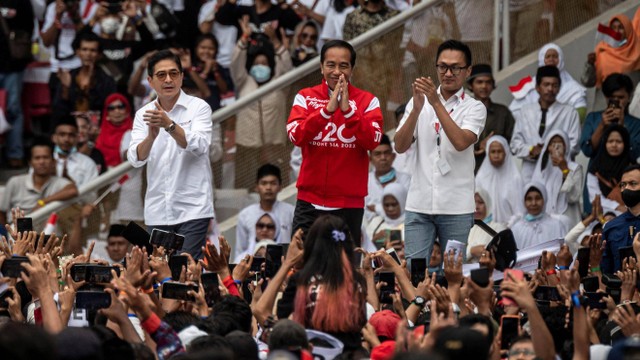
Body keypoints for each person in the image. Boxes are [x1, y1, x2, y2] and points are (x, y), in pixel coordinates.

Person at [394, 39, 486, 265]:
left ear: (467, 71)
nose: (448, 73)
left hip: (456, 207)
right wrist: (416, 110)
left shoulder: (474, 107)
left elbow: (461, 142)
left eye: (455, 67)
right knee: (415, 273)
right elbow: (400, 145)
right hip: (419, 203)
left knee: (452, 275)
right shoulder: (418, 102)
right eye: (442, 66)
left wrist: (436, 104)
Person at [286, 40, 383, 244]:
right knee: (301, 265)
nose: (337, 71)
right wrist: (325, 112)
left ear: (352, 69)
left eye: (344, 66)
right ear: (321, 67)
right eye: (330, 65)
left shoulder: (368, 101)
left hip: (349, 204)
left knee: (346, 270)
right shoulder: (304, 97)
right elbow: (296, 136)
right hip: (309, 202)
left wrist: (349, 112)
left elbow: (373, 141)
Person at [127, 50, 214, 260]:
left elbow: (201, 145)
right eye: (161, 75)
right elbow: (135, 158)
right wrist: (151, 137)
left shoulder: (198, 107)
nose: (168, 80)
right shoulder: (143, 113)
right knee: (158, 272)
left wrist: (169, 125)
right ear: (150, 81)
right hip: (158, 209)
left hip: (193, 208)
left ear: (182, 77)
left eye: (174, 73)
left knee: (185, 270)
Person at [232, 19, 293, 190]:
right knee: (246, 189)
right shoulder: (243, 82)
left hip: (274, 145)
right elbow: (235, 63)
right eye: (257, 64)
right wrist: (244, 38)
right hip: (247, 146)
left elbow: (286, 67)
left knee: (277, 187)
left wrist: (274, 40)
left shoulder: (280, 85)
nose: (260, 66)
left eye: (264, 64)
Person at [291, 215, 367, 351]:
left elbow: (280, 318)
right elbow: (362, 323)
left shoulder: (300, 280)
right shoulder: (358, 282)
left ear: (312, 244)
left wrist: (288, 264)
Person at [580, 73, 640, 213]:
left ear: (629, 97)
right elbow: (587, 149)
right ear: (606, 97)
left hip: (624, 184)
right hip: (597, 181)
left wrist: (621, 127)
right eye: (612, 98)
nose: (617, 101)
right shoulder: (594, 118)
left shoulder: (636, 124)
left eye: (621, 97)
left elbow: (634, 153)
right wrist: (602, 126)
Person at [510, 65, 581, 183]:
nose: (550, 89)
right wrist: (531, 150)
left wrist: (551, 151)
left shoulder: (570, 112)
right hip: (530, 173)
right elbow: (515, 143)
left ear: (559, 88)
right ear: (537, 87)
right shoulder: (526, 111)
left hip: (557, 171)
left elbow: (575, 145)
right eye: (546, 85)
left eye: (554, 85)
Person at [0, 140, 79, 224]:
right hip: (17, 231)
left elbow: (72, 190)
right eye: (37, 158)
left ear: (53, 161)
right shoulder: (15, 182)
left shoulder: (58, 182)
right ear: (30, 162)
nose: (41, 162)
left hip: (46, 233)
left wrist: (43, 202)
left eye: (45, 157)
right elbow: (1, 212)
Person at [234, 164, 295, 262]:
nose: (268, 187)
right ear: (256, 187)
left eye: (273, 183)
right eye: (264, 183)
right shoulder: (246, 215)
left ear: (280, 186)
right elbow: (241, 249)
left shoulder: (291, 212)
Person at [509, 43, 587, 119]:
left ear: (561, 59)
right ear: (542, 59)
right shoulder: (530, 85)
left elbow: (579, 113)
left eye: (555, 56)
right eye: (548, 56)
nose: (551, 59)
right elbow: (514, 112)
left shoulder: (573, 88)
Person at [0, 0, 34, 168]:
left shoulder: (21, 2)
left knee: (13, 109)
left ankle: (15, 153)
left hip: (12, 65)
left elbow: (29, 29)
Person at [52, 30, 117, 119]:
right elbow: (58, 110)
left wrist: (91, 86)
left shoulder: (106, 80)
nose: (88, 54)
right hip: (70, 126)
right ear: (78, 52)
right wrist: (65, 88)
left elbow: (106, 109)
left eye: (93, 50)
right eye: (84, 49)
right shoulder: (68, 76)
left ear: (99, 55)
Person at [467, 64, 515, 172]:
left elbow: (513, 142)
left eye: (488, 82)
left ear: (493, 86)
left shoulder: (502, 112)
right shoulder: (462, 112)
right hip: (469, 170)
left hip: (498, 170)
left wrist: (496, 144)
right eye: (479, 82)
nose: (484, 86)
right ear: (471, 85)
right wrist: (478, 147)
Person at [531, 129, 583, 230]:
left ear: (566, 146)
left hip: (568, 222)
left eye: (559, 143)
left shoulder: (575, 168)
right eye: (552, 143)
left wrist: (565, 170)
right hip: (545, 224)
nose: (556, 146)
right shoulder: (542, 171)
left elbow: (573, 197)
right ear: (547, 147)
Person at [581, 8, 640, 88]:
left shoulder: (637, 50)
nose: (617, 31)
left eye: (620, 28)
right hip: (606, 99)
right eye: (613, 28)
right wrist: (590, 65)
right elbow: (587, 82)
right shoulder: (602, 53)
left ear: (628, 29)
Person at [475, 135, 524, 227]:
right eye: (493, 152)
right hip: (484, 229)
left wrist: (507, 226)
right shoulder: (481, 177)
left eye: (499, 151)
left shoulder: (515, 178)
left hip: (509, 228)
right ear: (488, 153)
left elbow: (520, 211)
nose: (496, 155)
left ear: (506, 153)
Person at [601, 164, 640, 274]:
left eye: (633, 184)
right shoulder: (611, 227)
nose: (626, 188)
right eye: (623, 185)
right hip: (620, 289)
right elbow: (606, 269)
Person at [587, 125, 632, 214]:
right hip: (604, 214)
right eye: (610, 141)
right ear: (604, 143)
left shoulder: (633, 168)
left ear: (625, 143)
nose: (614, 145)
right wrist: (617, 207)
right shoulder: (595, 169)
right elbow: (595, 197)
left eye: (618, 141)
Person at [364, 134, 410, 221]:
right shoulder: (364, 183)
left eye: (386, 153)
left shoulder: (406, 180)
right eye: (377, 154)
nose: (383, 158)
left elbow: (409, 211)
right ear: (370, 159)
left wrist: (377, 209)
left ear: (393, 156)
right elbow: (369, 216)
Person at [511, 182, 566, 250]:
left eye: (538, 198)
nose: (533, 203)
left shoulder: (556, 226)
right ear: (524, 202)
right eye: (529, 199)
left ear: (544, 200)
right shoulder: (517, 229)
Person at [466, 189, 506, 263]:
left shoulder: (498, 228)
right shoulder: (464, 228)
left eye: (480, 202)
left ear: (488, 204)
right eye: (473, 203)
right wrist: (472, 251)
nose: (476, 207)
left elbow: (504, 254)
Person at [365, 183, 407, 252]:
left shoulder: (411, 224)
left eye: (394, 204)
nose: (390, 209)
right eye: (386, 205)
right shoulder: (376, 223)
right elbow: (364, 250)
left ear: (402, 202)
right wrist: (374, 240)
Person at [95, 93, 134, 168]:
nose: (116, 111)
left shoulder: (136, 132)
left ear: (127, 110)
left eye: (121, 107)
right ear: (107, 113)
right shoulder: (98, 135)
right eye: (111, 108)